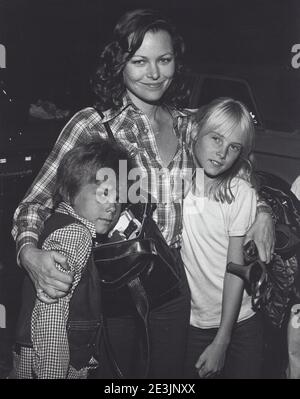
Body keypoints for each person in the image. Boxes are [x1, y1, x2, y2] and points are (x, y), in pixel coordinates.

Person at [12, 9, 274, 378]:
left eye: (164, 60)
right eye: (139, 61)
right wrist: (30, 255)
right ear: (119, 63)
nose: (153, 74)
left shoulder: (188, 124)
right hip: (113, 286)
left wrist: (261, 212)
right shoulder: (93, 125)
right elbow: (35, 203)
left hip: (173, 283)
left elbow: (239, 165)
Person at [13, 140, 130, 378]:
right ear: (70, 190)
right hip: (55, 364)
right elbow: (51, 316)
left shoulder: (60, 223)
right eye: (104, 193)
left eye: (118, 197)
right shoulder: (75, 234)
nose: (112, 206)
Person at [182, 98, 264, 379]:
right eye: (216, 138)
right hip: (192, 322)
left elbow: (235, 269)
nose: (222, 153)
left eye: (233, 147)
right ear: (195, 134)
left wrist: (222, 339)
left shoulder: (239, 192)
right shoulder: (177, 184)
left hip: (238, 322)